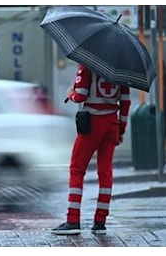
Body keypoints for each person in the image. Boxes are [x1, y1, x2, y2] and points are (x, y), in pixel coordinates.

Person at [51, 64, 131, 235]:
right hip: (111, 123)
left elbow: (80, 96)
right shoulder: (121, 71)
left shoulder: (88, 65)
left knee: (77, 169)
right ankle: (100, 221)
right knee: (105, 172)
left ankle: (73, 220)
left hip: (93, 122)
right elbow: (125, 103)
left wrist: (71, 94)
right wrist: (121, 130)